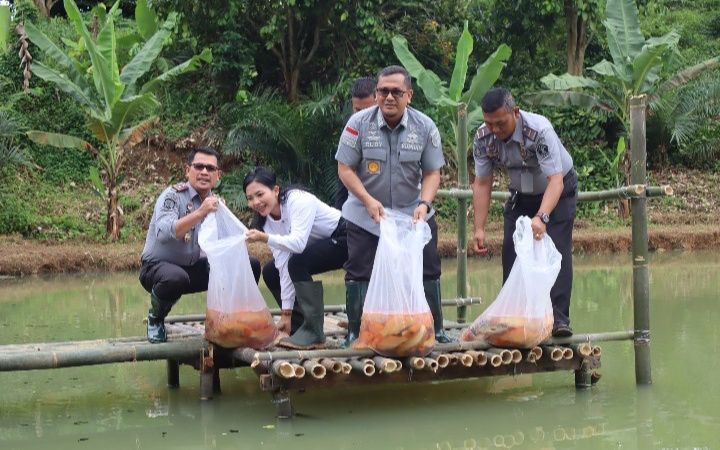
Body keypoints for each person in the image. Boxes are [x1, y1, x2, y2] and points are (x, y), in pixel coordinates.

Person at [335, 65, 451, 346]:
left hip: (413, 214)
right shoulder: (357, 125)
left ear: (408, 95)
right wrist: (367, 200)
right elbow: (345, 168)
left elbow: (432, 172)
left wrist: (425, 203)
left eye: (396, 92)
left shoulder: (425, 127)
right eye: (383, 91)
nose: (389, 97)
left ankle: (435, 329)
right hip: (366, 215)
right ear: (375, 94)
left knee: (429, 269)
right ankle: (356, 331)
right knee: (359, 270)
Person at [470, 87, 577, 337]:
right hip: (521, 195)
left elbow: (556, 181)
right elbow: (483, 183)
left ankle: (559, 319)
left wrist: (542, 217)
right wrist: (479, 227)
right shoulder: (483, 137)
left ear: (515, 113)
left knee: (557, 249)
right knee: (512, 250)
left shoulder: (539, 130)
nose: (495, 130)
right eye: (490, 123)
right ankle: (516, 318)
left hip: (557, 191)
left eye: (500, 123)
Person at [139, 146, 261, 343]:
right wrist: (200, 213)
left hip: (193, 270)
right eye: (199, 166)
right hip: (157, 271)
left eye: (210, 168)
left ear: (218, 175)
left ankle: (232, 321)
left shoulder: (216, 204)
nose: (204, 172)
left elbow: (222, 245)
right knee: (175, 277)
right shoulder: (172, 195)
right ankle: (156, 319)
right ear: (188, 170)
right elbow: (164, 234)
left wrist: (227, 224)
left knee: (250, 264)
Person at [243, 166, 348, 350]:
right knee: (272, 271)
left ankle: (314, 333)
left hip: (345, 237)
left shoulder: (298, 200)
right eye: (250, 198)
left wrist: (264, 238)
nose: (256, 202)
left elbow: (298, 244)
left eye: (260, 194)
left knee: (298, 262)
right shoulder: (266, 220)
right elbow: (283, 265)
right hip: (319, 247)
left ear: (275, 190)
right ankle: (300, 328)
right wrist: (286, 314)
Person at [334, 76, 377, 210]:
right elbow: (345, 169)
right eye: (357, 110)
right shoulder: (351, 125)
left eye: (367, 110)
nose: (362, 116)